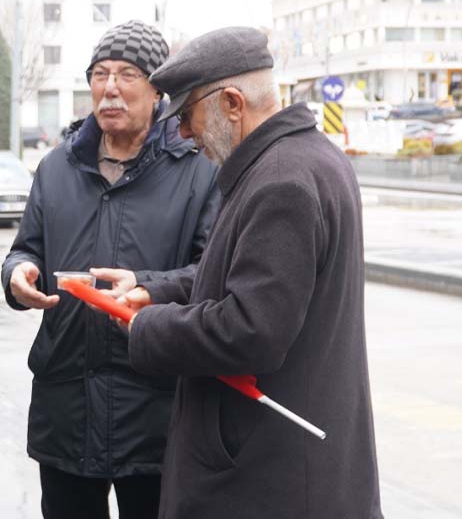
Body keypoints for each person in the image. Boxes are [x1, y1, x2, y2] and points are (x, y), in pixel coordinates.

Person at [120, 27, 382, 518]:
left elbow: (252, 330)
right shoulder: (306, 160)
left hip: (269, 481)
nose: (183, 134)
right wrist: (151, 292)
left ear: (233, 104)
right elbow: (240, 272)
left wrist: (148, 328)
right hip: (287, 468)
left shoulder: (281, 181)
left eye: (187, 116)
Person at [1, 20, 220, 519]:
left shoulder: (198, 171)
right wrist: (19, 274)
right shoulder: (57, 168)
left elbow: (211, 272)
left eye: (127, 74)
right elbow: (25, 248)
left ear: (156, 89)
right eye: (100, 74)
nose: (111, 88)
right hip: (66, 409)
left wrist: (148, 286)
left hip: (155, 411)